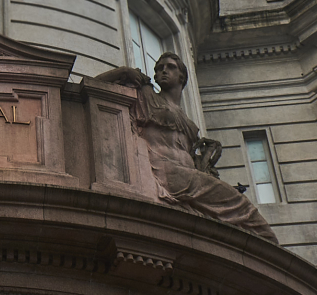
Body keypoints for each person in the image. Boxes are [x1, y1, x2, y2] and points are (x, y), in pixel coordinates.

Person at [96, 53, 278, 243]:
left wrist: (204, 159)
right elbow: (96, 86)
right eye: (159, 68)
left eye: (170, 67)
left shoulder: (189, 123)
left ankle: (262, 248)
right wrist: (124, 72)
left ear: (182, 77)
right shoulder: (146, 96)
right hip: (163, 171)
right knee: (239, 205)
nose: (163, 71)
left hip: (187, 176)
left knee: (230, 213)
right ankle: (270, 247)